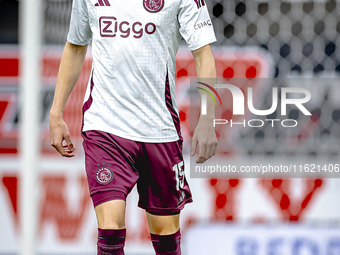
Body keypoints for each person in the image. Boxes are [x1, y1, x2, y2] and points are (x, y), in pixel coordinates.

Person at [49, 0, 217, 254]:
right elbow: (75, 46)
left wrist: (207, 117)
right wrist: (56, 111)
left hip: (160, 129)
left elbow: (203, 54)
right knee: (110, 227)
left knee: (166, 235)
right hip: (105, 126)